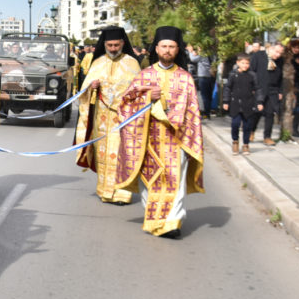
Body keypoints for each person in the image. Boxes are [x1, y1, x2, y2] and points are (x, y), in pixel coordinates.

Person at [115, 26, 204, 239]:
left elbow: (193, 112)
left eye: (171, 47)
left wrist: (191, 140)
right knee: (149, 180)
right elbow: (124, 105)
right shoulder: (144, 75)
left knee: (175, 181)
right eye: (163, 46)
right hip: (148, 137)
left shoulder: (185, 78)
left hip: (176, 139)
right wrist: (147, 96)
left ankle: (172, 222)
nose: (167, 50)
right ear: (156, 48)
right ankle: (154, 218)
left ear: (177, 49)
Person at [74, 26, 140, 203]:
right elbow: (84, 91)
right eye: (109, 45)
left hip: (123, 118)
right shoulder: (98, 63)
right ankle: (104, 190)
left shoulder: (132, 63)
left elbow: (140, 90)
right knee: (102, 154)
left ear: (122, 43)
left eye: (116, 45)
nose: (113, 48)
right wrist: (91, 87)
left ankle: (122, 193)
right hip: (102, 118)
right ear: (104, 44)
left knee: (120, 153)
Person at [222, 53, 262, 155]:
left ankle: (246, 144)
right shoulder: (233, 74)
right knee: (235, 124)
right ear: (238, 63)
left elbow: (257, 89)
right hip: (235, 104)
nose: (245, 65)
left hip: (248, 104)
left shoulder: (252, 75)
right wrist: (226, 101)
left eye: (247, 63)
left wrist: (259, 102)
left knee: (247, 126)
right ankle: (235, 141)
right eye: (243, 63)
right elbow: (228, 88)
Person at [250, 42, 284, 146]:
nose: (278, 55)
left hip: (273, 89)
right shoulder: (258, 55)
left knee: (270, 113)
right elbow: (252, 71)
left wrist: (280, 91)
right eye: (277, 52)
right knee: (257, 112)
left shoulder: (279, 61)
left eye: (280, 53)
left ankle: (267, 137)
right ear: (271, 48)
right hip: (259, 88)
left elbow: (281, 77)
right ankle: (251, 131)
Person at [188, 44, 214, 118]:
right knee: (208, 95)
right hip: (210, 76)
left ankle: (206, 113)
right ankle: (208, 111)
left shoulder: (203, 54)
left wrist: (190, 51)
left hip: (203, 76)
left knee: (204, 95)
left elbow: (193, 59)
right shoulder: (210, 54)